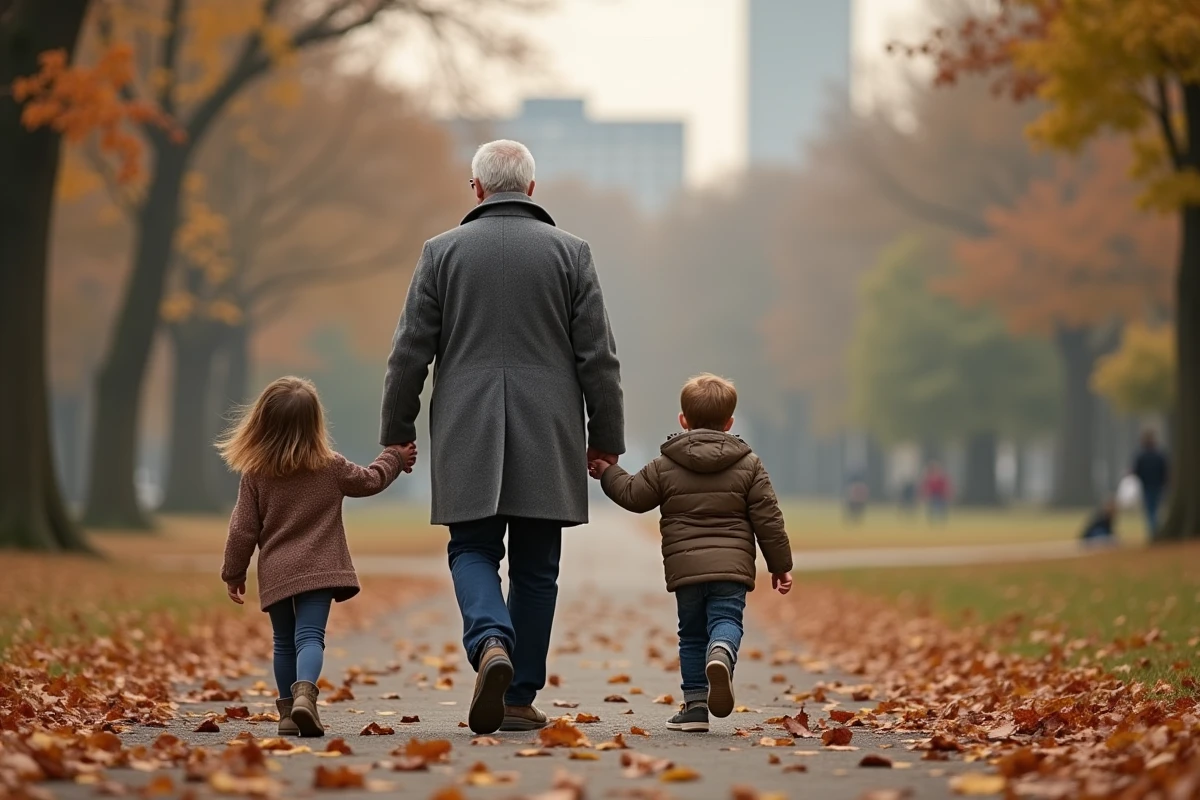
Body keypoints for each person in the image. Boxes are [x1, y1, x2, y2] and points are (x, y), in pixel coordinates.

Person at [379, 140, 624, 735]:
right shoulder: (572, 254)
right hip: (550, 428)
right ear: (532, 190)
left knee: (472, 549)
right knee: (538, 567)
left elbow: (410, 352)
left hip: (467, 422)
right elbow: (599, 358)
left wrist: (398, 431)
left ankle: (490, 638)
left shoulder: (441, 253)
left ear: (477, 188)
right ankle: (518, 697)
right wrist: (604, 439)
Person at [588, 374, 793, 733]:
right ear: (729, 423)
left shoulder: (666, 464)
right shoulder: (750, 465)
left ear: (683, 420)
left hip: (687, 571)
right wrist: (780, 566)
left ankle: (695, 707)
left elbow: (633, 495)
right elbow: (769, 519)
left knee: (692, 635)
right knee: (726, 621)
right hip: (731, 569)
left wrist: (609, 471)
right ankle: (723, 654)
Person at [218, 376, 416, 737]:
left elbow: (242, 529)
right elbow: (371, 480)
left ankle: (287, 715)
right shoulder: (331, 466)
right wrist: (395, 456)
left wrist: (234, 572)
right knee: (310, 637)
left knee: (282, 641)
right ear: (315, 423)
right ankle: (305, 695)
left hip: (277, 571)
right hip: (320, 569)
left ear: (262, 422)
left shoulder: (256, 474)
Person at [1131, 429, 1169, 539]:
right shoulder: (1160, 455)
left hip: (1147, 487)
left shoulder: (1141, 456)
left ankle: (1153, 532)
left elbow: (1136, 471)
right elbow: (1165, 471)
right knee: (1155, 510)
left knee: (1150, 511)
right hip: (1158, 486)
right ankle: (1155, 531)